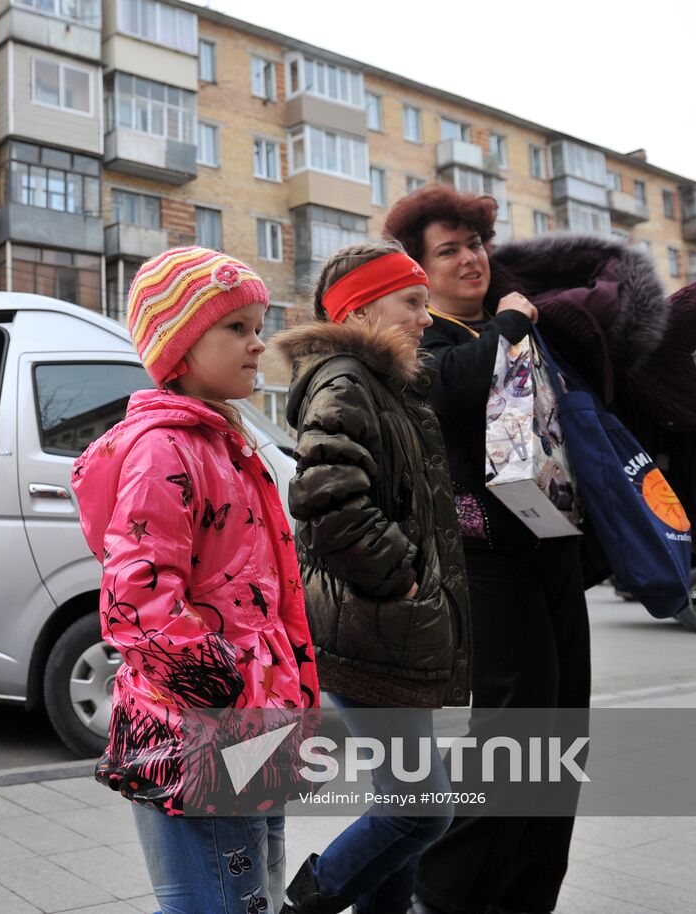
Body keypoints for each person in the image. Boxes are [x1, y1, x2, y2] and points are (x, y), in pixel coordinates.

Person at [71, 246, 319, 914]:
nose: (258, 342)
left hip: (250, 721)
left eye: (257, 325)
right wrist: (222, 684)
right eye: (236, 327)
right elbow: (138, 599)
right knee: (220, 898)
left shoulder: (221, 442)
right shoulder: (165, 450)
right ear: (180, 346)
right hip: (203, 728)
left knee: (254, 889)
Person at [382, 187, 585, 914]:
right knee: (511, 731)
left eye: (476, 244)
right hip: (485, 557)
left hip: (553, 549)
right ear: (420, 269)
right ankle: (442, 895)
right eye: (450, 249)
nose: (471, 258)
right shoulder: (423, 339)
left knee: (563, 734)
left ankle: (527, 897)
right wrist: (508, 321)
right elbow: (449, 391)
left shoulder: (517, 329)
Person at [272, 241, 470, 914]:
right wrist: (400, 579)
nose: (427, 318)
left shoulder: (385, 386)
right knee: (423, 811)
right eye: (413, 303)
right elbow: (328, 495)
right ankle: (308, 902)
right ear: (361, 308)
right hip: (371, 624)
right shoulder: (345, 381)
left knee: (405, 810)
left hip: (391, 629)